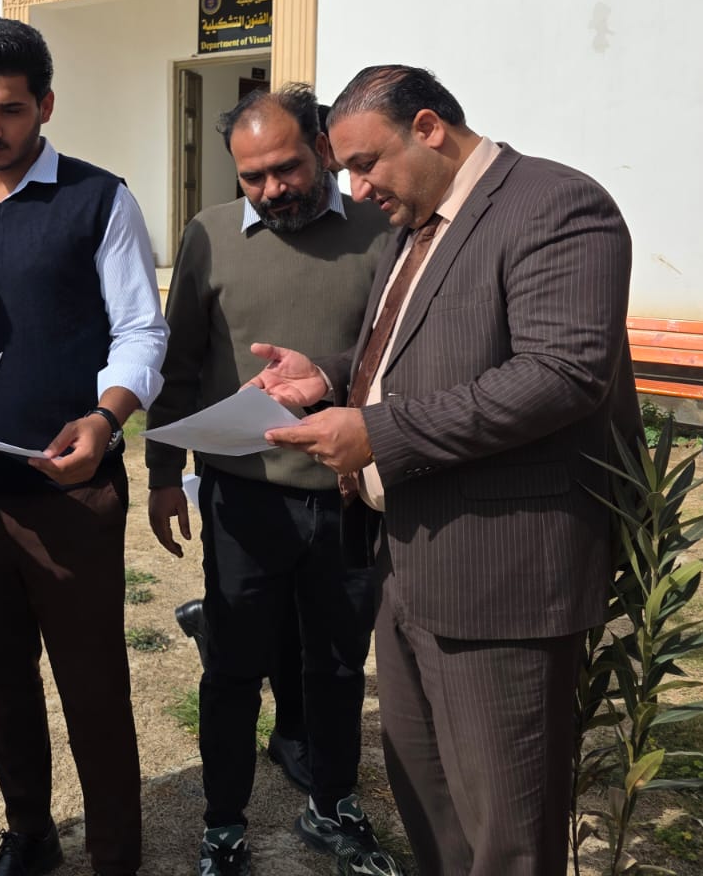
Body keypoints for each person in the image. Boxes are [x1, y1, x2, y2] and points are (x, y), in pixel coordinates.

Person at [250, 65, 639, 875]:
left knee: (505, 829)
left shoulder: (556, 205)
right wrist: (329, 377)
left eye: (365, 164)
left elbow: (562, 373)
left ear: (428, 128)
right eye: (346, 170)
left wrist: (377, 434)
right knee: (429, 805)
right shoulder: (414, 225)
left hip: (503, 577)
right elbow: (411, 354)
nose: (355, 190)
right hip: (406, 563)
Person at [0, 17, 167, 876]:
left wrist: (108, 418)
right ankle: (30, 834)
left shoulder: (99, 200)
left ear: (45, 105)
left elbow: (140, 328)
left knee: (94, 685)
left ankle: (116, 855)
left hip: (72, 493)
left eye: (10, 109)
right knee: (1, 676)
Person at [146, 86, 398, 876]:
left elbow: (397, 357)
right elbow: (179, 362)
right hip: (243, 500)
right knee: (231, 670)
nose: (271, 189)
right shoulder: (209, 234)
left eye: (286, 168)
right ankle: (223, 824)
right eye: (252, 177)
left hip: (348, 497)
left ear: (323, 148)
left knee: (337, 666)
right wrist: (162, 473)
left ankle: (332, 804)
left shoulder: (381, 231)